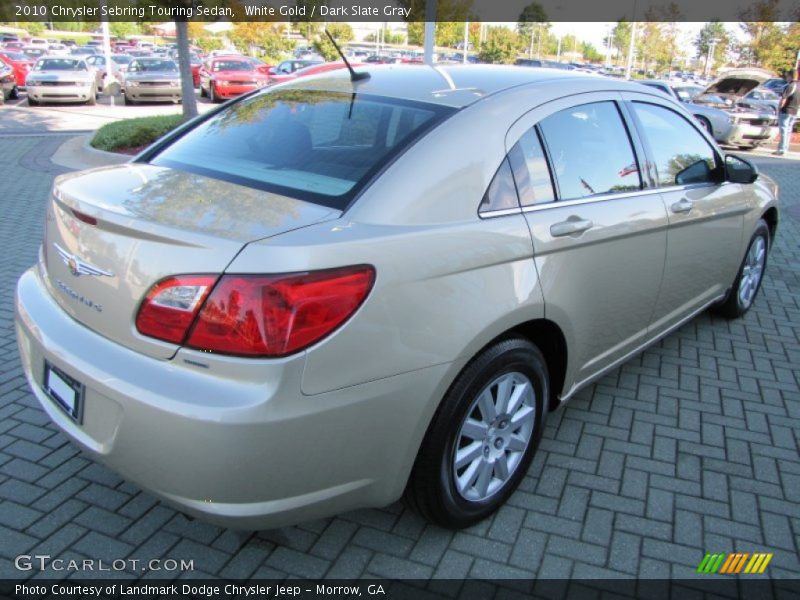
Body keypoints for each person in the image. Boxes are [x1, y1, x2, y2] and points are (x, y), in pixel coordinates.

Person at [774, 70, 798, 156]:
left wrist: (779, 108)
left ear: (791, 76)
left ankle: (781, 149)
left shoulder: (790, 86)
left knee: (783, 131)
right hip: (794, 111)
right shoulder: (798, 86)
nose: (786, 78)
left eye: (787, 76)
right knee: (788, 131)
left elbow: (783, 99)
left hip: (786, 110)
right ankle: (785, 148)